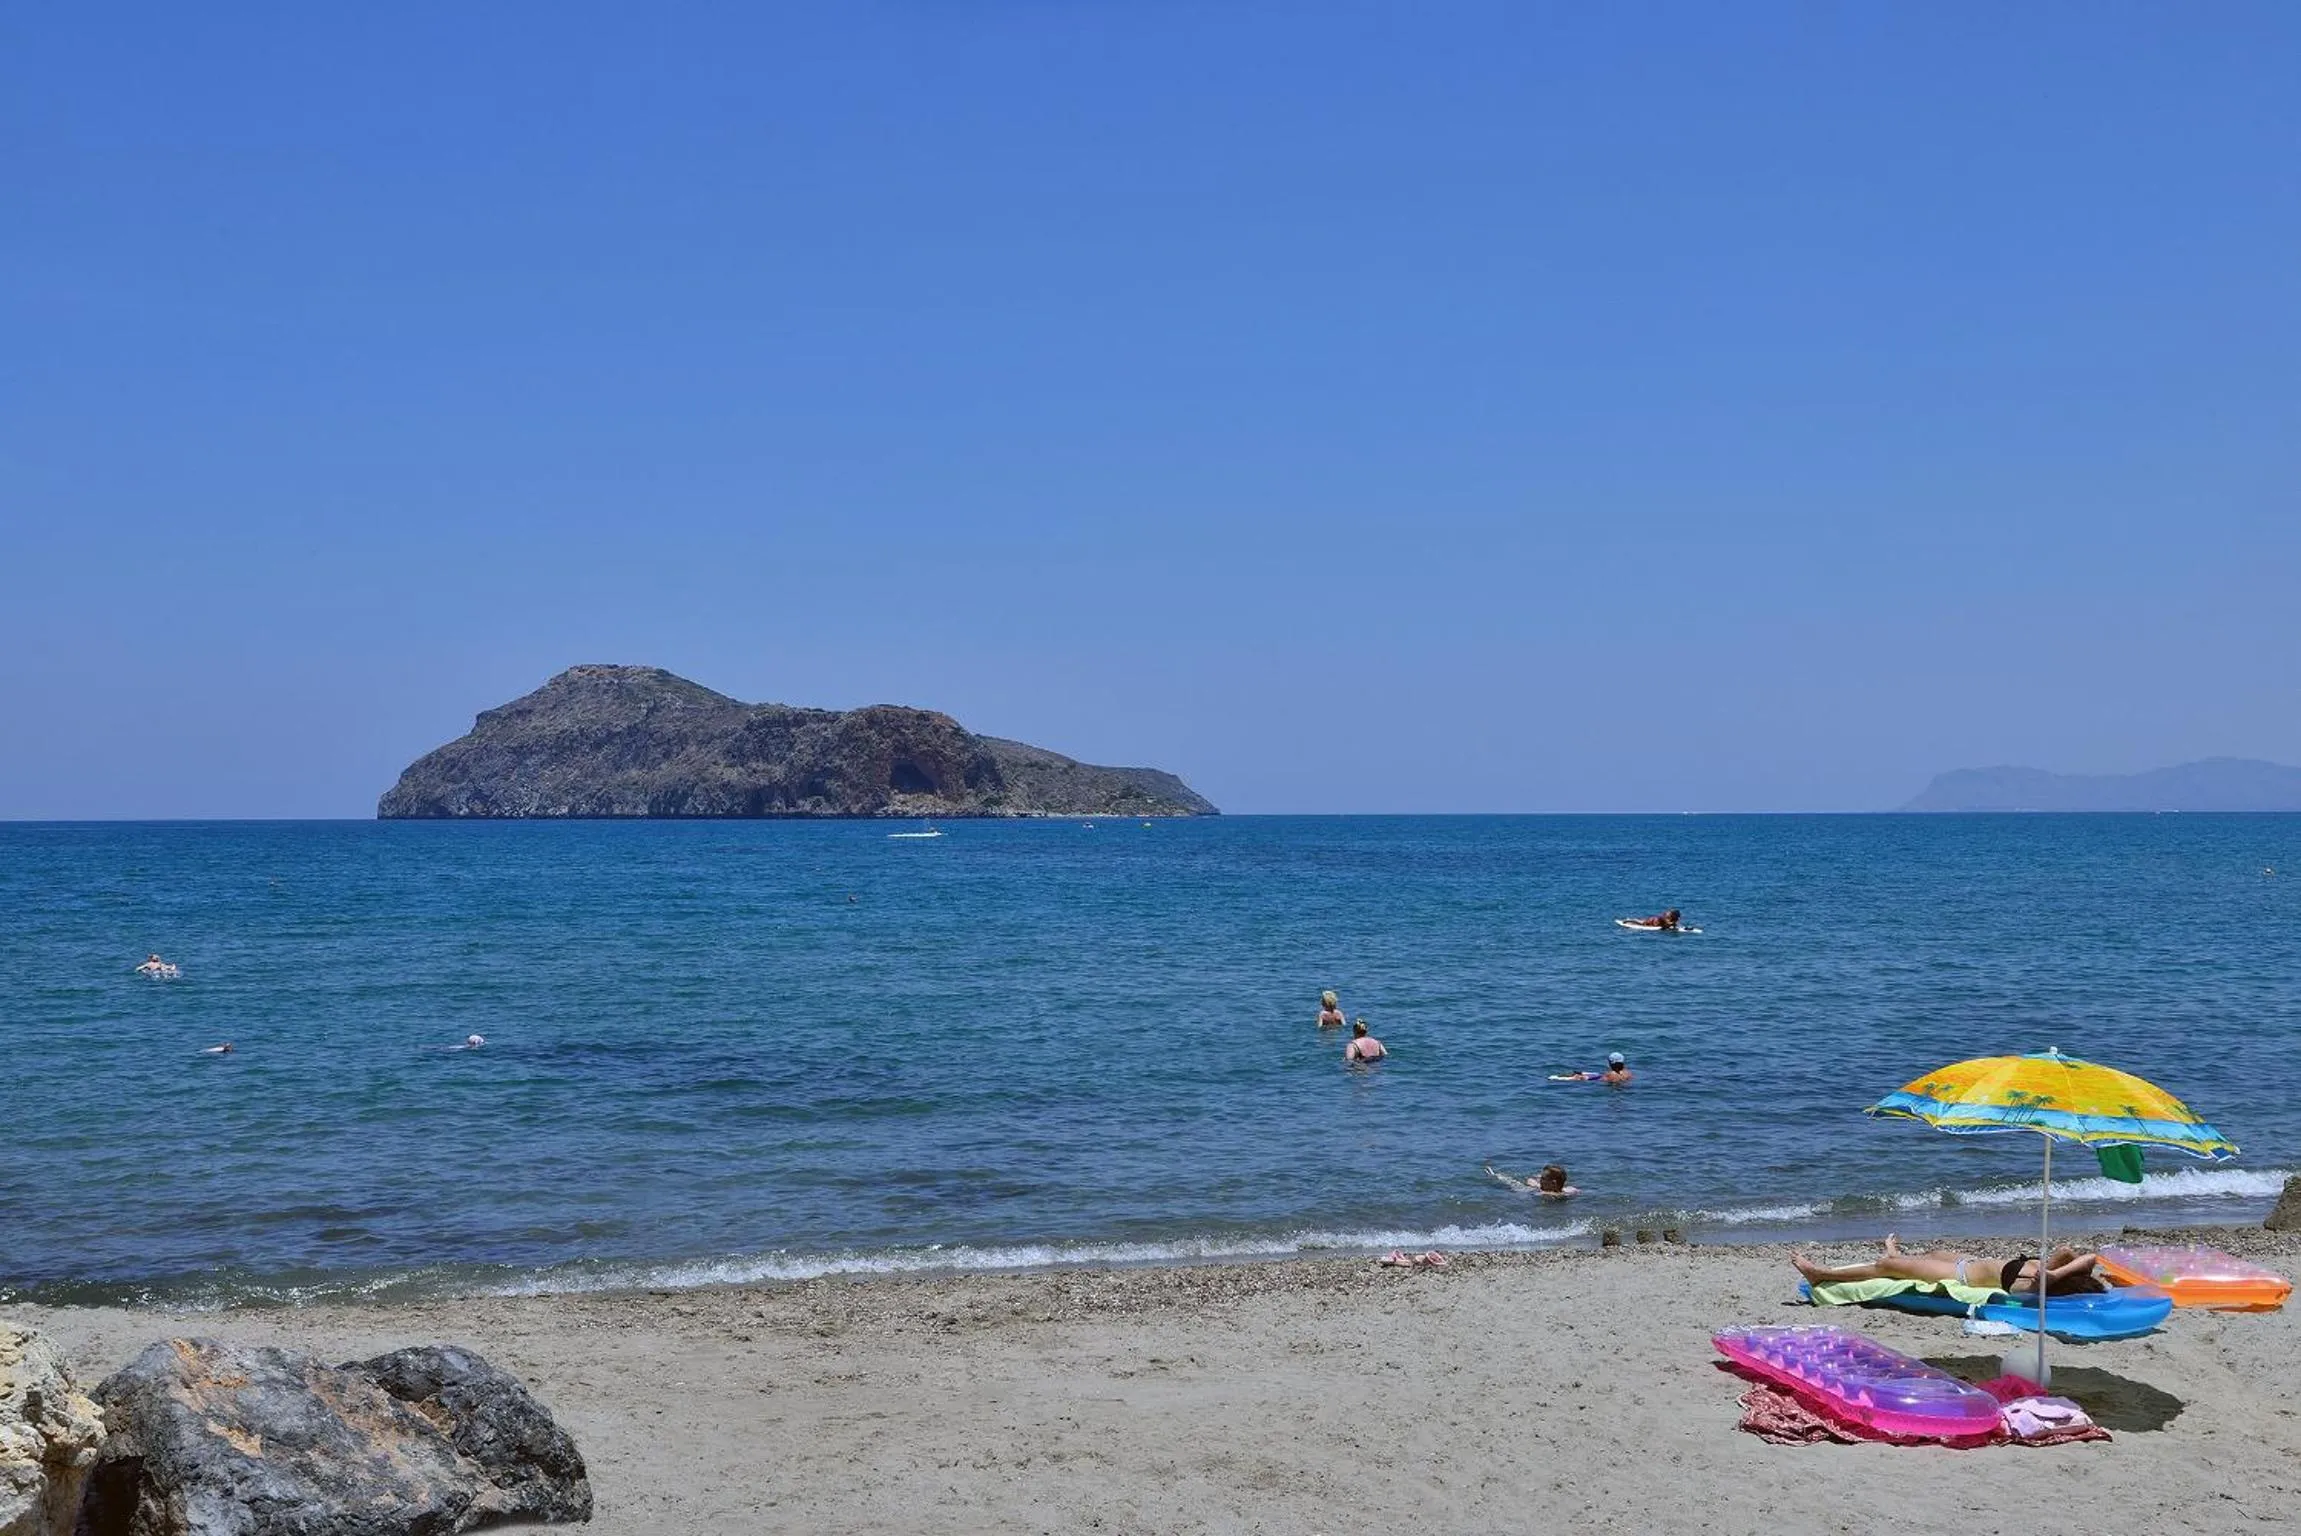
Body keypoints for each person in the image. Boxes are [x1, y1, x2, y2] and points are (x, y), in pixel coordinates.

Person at [1792, 1235, 2107, 1295]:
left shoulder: (2039, 1285)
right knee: (1934, 1250)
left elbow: (2051, 1277)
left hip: (1958, 1275)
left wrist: (2054, 1276)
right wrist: (2063, 1271)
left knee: (1883, 1266)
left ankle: (1820, 1275)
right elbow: (2081, 1255)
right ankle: (1898, 1255)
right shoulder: (2050, 1272)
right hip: (1965, 1261)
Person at [1487, 1163, 1579, 1199]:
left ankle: (1495, 1176)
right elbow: (1574, 1190)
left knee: (1516, 1186)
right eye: (1541, 1178)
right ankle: (1495, 1176)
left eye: (1543, 1179)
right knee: (1522, 1183)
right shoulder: (1568, 1191)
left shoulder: (1543, 1193)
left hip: (1532, 1191)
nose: (1540, 1181)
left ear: (1553, 1183)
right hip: (1538, 1189)